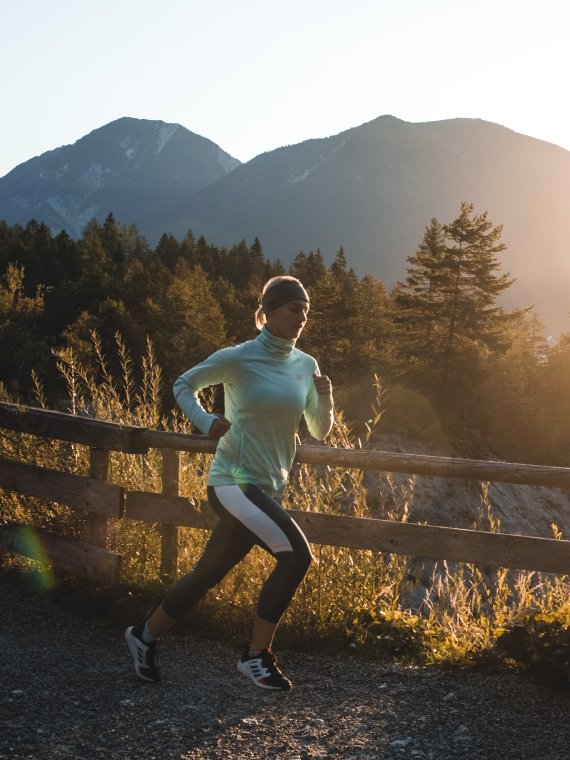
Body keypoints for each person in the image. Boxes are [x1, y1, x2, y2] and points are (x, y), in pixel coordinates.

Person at [125, 275, 334, 691]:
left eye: (307, 311)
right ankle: (256, 657)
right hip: (232, 483)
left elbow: (319, 431)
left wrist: (326, 396)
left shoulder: (306, 365)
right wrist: (205, 421)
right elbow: (183, 385)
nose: (302, 317)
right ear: (269, 311)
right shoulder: (238, 357)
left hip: (267, 488)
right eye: (295, 309)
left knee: (207, 573)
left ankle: (143, 636)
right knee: (296, 557)